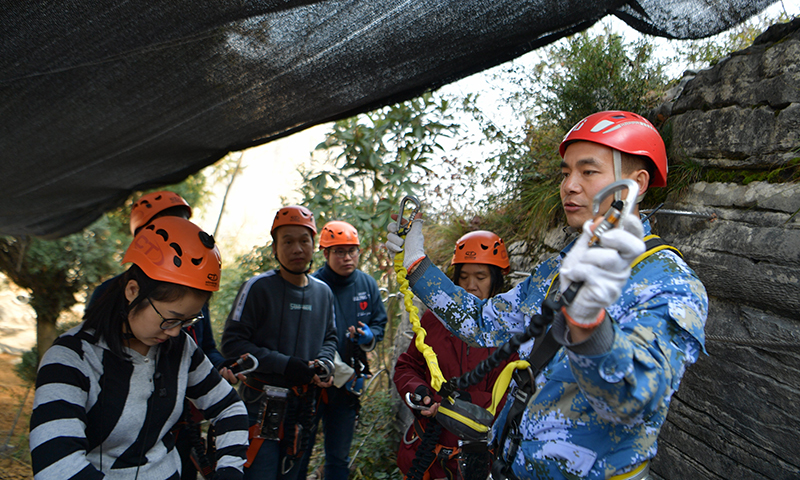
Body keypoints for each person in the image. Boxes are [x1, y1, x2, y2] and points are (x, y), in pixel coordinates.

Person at [386, 111, 708, 480]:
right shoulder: (556, 271)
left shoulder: (669, 282)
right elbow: (481, 323)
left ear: (635, 184)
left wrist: (589, 326)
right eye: (565, 172)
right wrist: (417, 264)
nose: (570, 185)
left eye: (588, 172)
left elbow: (634, 400)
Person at [29, 217, 249, 479]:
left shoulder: (181, 349)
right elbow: (56, 464)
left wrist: (229, 470)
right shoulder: (71, 358)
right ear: (133, 291)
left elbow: (229, 408)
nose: (175, 332)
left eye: (187, 321)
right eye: (170, 318)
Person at [87, 190, 225, 479]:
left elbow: (205, 346)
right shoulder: (110, 294)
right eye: (168, 227)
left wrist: (217, 368)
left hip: (182, 409)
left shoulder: (193, 293)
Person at [221, 205, 338, 480]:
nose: (297, 248)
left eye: (304, 240)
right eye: (287, 241)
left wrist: (324, 363)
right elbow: (232, 343)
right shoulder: (258, 288)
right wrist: (285, 365)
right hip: (260, 405)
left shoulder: (323, 293)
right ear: (275, 248)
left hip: (303, 407)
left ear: (314, 245)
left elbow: (330, 337)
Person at [393, 230, 518, 480]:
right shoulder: (434, 320)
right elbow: (408, 366)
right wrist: (418, 391)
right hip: (428, 459)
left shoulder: (510, 329)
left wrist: (463, 401)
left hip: (481, 459)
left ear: (495, 281)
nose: (471, 285)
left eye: (480, 277)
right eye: (463, 277)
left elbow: (513, 394)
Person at [297, 220, 388, 479]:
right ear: (325, 254)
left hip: (347, 387)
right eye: (339, 251)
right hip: (314, 383)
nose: (347, 257)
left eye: (352, 251)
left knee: (338, 457)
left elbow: (379, 322)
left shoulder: (367, 285)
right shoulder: (311, 286)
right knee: (299, 452)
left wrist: (369, 337)